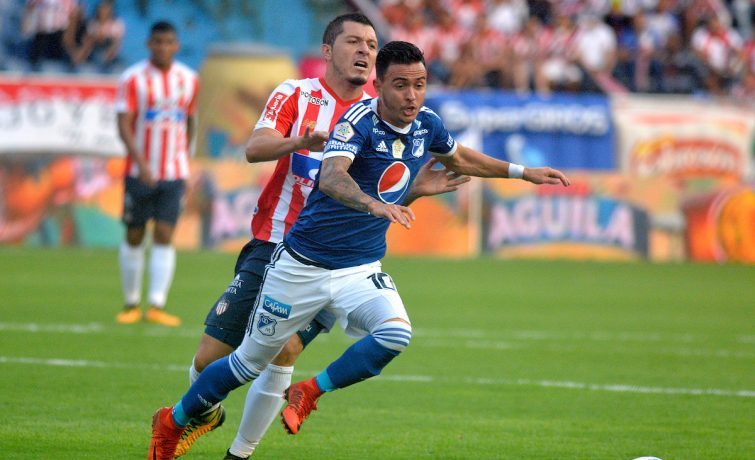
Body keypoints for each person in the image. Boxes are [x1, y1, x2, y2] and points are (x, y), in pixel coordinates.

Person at [147, 40, 569, 460]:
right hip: (301, 266)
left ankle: (308, 392)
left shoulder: (428, 123)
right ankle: (174, 420)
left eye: (419, 85)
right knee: (246, 365)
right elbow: (331, 176)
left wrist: (523, 172)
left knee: (396, 333)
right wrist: (374, 204)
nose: (412, 95)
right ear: (379, 84)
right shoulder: (358, 121)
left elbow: (460, 158)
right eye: (401, 85)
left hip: (358, 268)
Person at [171, 13, 469, 460]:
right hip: (275, 241)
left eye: (371, 43)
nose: (365, 50)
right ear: (328, 51)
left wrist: (415, 189)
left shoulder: (383, 109)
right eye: (354, 41)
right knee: (209, 356)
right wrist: (301, 141)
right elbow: (254, 149)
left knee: (285, 350)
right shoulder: (297, 93)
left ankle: (240, 452)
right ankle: (202, 415)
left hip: (338, 259)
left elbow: (379, 190)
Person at [115, 21, 198, 328]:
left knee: (164, 235)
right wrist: (142, 161)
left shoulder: (188, 79)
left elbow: (189, 120)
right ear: (149, 44)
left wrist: (183, 159)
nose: (163, 47)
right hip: (139, 171)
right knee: (135, 234)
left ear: (176, 45)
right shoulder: (133, 78)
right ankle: (131, 302)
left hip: (173, 173)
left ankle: (157, 304)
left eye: (169, 42)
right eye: (158, 42)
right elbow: (123, 124)